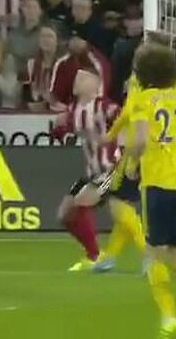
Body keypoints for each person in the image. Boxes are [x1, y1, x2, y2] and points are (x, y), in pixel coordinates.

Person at [127, 42, 176, 339]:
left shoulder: (142, 101)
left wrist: (132, 164)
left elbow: (139, 141)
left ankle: (169, 317)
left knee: (154, 255)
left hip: (156, 187)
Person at [93, 33, 176, 274]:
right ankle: (110, 257)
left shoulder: (140, 79)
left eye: (144, 46)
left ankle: (148, 254)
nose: (139, 50)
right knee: (128, 202)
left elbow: (128, 111)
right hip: (166, 150)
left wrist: (111, 135)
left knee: (115, 200)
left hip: (138, 146)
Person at [52, 68, 116, 271]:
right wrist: (59, 128)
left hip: (110, 170)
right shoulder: (75, 110)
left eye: (82, 78)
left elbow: (125, 119)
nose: (76, 80)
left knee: (81, 204)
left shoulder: (103, 106)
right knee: (64, 214)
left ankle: (98, 257)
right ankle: (94, 256)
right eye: (76, 77)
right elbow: (62, 133)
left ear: (95, 85)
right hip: (92, 172)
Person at [50, 29, 110, 111]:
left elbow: (101, 94)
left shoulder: (98, 63)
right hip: (67, 110)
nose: (74, 43)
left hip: (94, 110)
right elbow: (55, 96)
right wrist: (58, 104)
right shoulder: (63, 63)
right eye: (72, 39)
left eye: (78, 39)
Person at [24, 24, 60, 111]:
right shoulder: (31, 64)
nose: (45, 40)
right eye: (42, 36)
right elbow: (24, 94)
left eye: (50, 36)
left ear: (57, 40)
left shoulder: (63, 64)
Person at [6, 0, 43, 72]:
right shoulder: (13, 33)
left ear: (40, 11)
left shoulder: (45, 33)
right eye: (28, 7)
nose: (31, 11)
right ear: (23, 11)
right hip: (15, 72)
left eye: (34, 7)